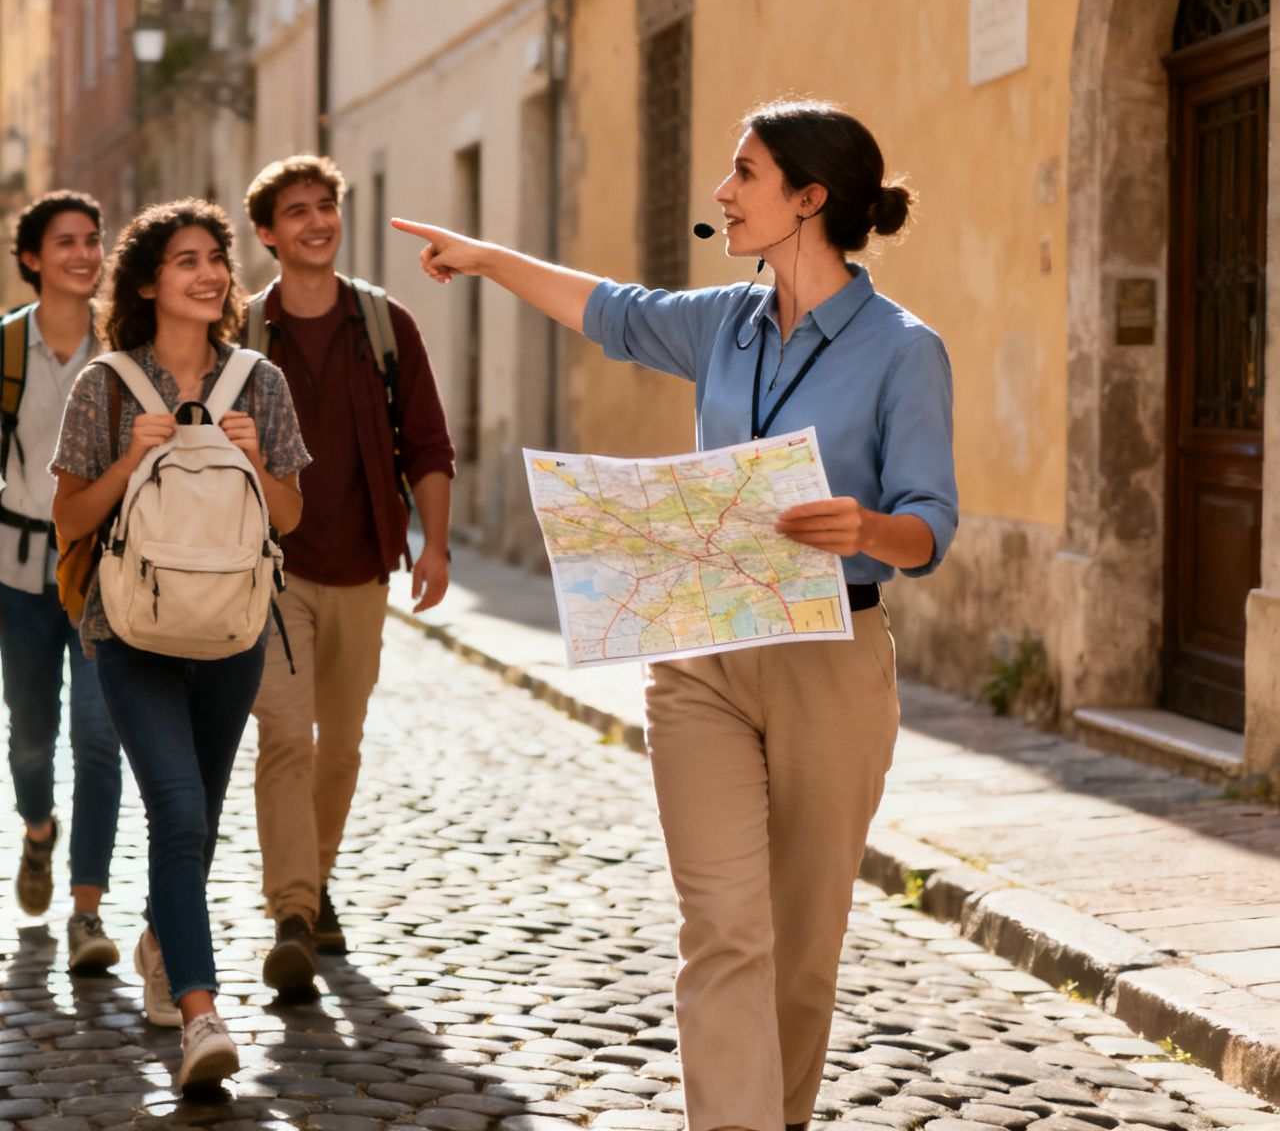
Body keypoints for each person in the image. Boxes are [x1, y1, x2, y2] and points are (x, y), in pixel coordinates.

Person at [393, 100, 956, 1131]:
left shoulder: (900, 350)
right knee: (722, 927)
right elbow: (607, 307)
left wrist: (867, 528)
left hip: (828, 660)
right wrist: (484, 258)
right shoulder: (720, 323)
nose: (720, 193)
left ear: (807, 199)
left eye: (742, 174)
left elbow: (931, 522)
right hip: (696, 658)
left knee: (799, 939)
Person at [50, 198, 310, 1095]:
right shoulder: (106, 385)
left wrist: (253, 460)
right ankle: (202, 1017)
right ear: (150, 280)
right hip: (130, 630)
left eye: (217, 261)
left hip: (232, 629)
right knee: (178, 810)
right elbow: (68, 520)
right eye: (187, 260)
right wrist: (127, 460)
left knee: (195, 813)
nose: (208, 275)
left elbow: (289, 518)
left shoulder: (260, 384)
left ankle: (165, 936)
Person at [238, 155, 456, 998]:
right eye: (297, 211)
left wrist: (432, 545)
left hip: (365, 564)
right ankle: (294, 912)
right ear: (268, 232)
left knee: (342, 744)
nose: (316, 222)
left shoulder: (385, 325)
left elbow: (427, 445)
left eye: (325, 207)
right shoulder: (247, 334)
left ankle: (314, 880)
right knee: (287, 737)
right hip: (273, 571)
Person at [0, 191, 125, 971]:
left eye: (93, 241)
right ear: (31, 258)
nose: (85, 255)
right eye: (66, 242)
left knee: (99, 739)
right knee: (32, 739)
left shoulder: (124, 344)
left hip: (107, 574)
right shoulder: (0, 351)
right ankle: (37, 830)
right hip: (21, 573)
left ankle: (87, 910)